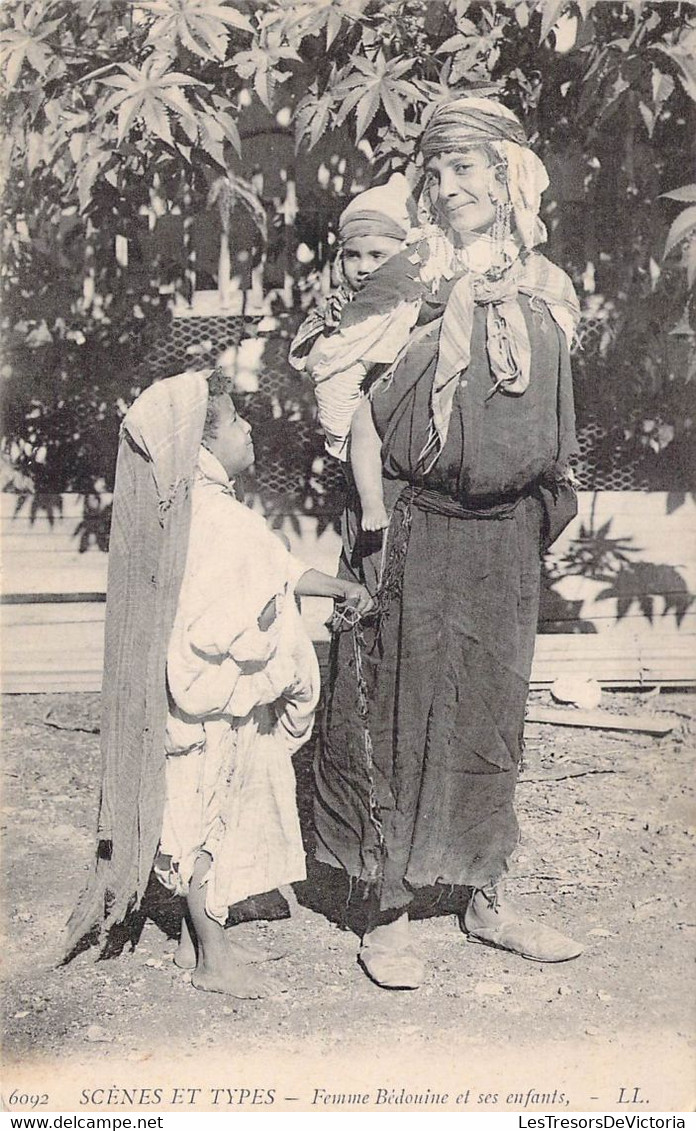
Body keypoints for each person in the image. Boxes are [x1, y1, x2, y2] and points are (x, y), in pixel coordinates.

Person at [313, 96, 585, 990]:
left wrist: (542, 511)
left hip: (507, 532)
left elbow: (554, 412)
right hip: (418, 523)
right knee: (397, 708)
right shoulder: (408, 274)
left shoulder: (549, 284)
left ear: (509, 173)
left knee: (490, 714)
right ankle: (385, 908)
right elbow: (341, 378)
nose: (451, 183)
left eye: (469, 166)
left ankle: (483, 892)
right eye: (440, 169)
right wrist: (374, 516)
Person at [65, 367, 372, 997]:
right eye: (235, 421)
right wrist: (268, 635)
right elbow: (216, 624)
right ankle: (213, 958)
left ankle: (189, 939)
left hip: (211, 702)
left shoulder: (199, 510)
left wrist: (337, 586)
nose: (249, 427)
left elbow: (275, 569)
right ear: (203, 446)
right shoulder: (218, 520)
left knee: (210, 810)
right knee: (207, 821)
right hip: (213, 702)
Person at [289, 172, 416, 531]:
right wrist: (330, 325)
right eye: (352, 256)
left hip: (386, 400)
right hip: (349, 397)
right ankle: (369, 502)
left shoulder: (409, 295)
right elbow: (315, 352)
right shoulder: (343, 301)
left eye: (378, 255)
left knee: (363, 424)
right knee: (356, 428)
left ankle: (372, 501)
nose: (363, 267)